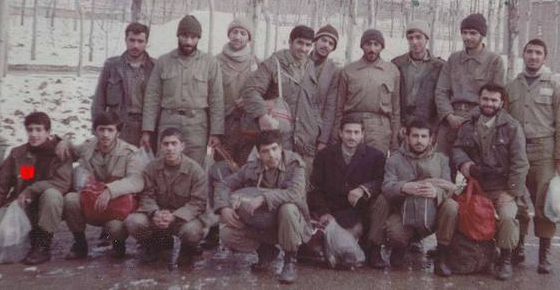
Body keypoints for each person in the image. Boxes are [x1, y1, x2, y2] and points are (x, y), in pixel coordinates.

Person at [0, 112, 72, 265]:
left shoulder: (59, 152)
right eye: (30, 130)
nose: (34, 134)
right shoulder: (18, 154)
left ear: (48, 132)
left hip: (49, 207)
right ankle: (27, 235)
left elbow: (62, 183)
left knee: (52, 195)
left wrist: (31, 190)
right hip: (22, 205)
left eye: (39, 130)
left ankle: (42, 245)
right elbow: (0, 186)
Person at [505, 38, 560, 274]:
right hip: (518, 151)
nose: (533, 56)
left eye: (538, 53)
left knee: (544, 203)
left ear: (545, 57)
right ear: (523, 55)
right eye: (529, 52)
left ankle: (544, 254)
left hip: (545, 151)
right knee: (518, 202)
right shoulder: (512, 86)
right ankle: (518, 247)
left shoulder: (555, 85)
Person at [453, 83, 529, 280]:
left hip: (502, 188)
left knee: (507, 217)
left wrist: (510, 192)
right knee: (456, 211)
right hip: (476, 186)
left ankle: (505, 259)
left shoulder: (512, 127)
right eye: (485, 99)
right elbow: (457, 148)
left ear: (501, 103)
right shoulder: (469, 124)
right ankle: (455, 253)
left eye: (494, 100)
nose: (489, 103)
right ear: (479, 100)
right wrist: (465, 164)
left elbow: (520, 163)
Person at [214, 130, 312, 284]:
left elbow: (296, 193)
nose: (271, 155)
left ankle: (289, 261)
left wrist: (264, 198)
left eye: (274, 149)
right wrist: (223, 207)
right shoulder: (251, 168)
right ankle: (266, 250)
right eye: (265, 151)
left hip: (292, 225)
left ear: (281, 148)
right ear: (258, 153)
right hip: (263, 224)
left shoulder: (295, 164)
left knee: (288, 208)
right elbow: (224, 184)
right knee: (227, 234)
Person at [240, 25, 322, 180]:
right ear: (290, 42)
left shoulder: (310, 66)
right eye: (299, 43)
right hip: (279, 136)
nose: (303, 49)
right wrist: (262, 116)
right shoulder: (273, 64)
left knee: (299, 183)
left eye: (308, 45)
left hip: (304, 138)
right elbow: (250, 91)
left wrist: (316, 127)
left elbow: (313, 101)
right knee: (273, 181)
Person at [141, 15, 224, 167]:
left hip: (197, 125)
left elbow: (216, 99)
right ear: (178, 35)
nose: (188, 42)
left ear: (198, 39)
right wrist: (147, 130)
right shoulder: (163, 61)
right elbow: (152, 97)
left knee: (194, 168)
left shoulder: (210, 63)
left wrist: (216, 132)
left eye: (193, 37)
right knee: (165, 166)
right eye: (184, 36)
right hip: (168, 121)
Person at [308, 116, 389, 269]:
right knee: (332, 246)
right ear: (340, 133)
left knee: (382, 202)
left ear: (362, 134)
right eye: (348, 132)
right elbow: (315, 188)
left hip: (359, 212)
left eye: (356, 132)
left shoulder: (375, 156)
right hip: (332, 211)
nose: (352, 137)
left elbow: (382, 181)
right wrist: (324, 212)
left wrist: (364, 189)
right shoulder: (325, 155)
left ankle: (373, 249)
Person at [62, 112, 145, 259]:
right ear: (95, 130)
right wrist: (62, 141)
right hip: (92, 203)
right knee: (70, 199)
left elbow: (136, 181)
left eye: (110, 130)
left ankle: (118, 245)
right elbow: (70, 150)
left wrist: (110, 190)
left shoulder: (130, 152)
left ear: (118, 132)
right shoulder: (87, 147)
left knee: (115, 228)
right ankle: (80, 244)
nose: (105, 134)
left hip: (116, 207)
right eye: (101, 129)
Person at [381, 119, 458, 276]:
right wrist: (403, 187)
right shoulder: (394, 160)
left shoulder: (441, 159)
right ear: (407, 137)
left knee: (451, 206)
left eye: (423, 136)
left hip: (433, 214)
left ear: (431, 139)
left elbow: (449, 187)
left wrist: (436, 192)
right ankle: (400, 247)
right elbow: (386, 187)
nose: (419, 140)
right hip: (405, 214)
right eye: (415, 136)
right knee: (395, 233)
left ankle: (442, 255)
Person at [435, 13, 505, 180]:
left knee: (477, 171)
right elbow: (441, 91)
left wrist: (472, 118)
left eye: (473, 33)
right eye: (464, 32)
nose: (467, 37)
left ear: (482, 35)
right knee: (441, 166)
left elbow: (497, 95)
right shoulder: (453, 59)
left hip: (479, 119)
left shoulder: (494, 60)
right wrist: (449, 116)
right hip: (451, 119)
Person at [125, 127, 207, 263]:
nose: (170, 148)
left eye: (174, 143)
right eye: (166, 144)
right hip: (157, 218)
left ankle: (187, 249)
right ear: (161, 147)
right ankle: (151, 245)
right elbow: (146, 196)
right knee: (133, 222)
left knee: (192, 231)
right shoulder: (151, 168)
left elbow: (198, 203)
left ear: (182, 146)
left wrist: (174, 216)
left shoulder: (195, 171)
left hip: (182, 219)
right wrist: (155, 213)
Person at [334, 29, 401, 153]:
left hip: (380, 128)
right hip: (352, 125)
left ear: (382, 47)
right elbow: (339, 107)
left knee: (376, 162)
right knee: (350, 161)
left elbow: (396, 109)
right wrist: (336, 134)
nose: (372, 49)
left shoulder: (392, 71)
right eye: (368, 44)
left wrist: (395, 140)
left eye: (376, 44)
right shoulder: (349, 70)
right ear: (362, 46)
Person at [92, 22, 156, 146]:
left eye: (140, 41)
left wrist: (150, 131)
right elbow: (99, 101)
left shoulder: (155, 67)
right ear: (125, 40)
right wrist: (98, 130)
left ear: (146, 42)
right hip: (118, 126)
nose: (135, 45)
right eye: (132, 40)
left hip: (145, 129)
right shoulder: (112, 66)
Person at [216, 17, 258, 166]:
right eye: (234, 32)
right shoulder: (216, 61)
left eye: (243, 33)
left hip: (248, 126)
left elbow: (264, 92)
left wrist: (249, 100)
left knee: (244, 167)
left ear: (249, 38)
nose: (238, 37)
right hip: (224, 123)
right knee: (222, 166)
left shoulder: (256, 62)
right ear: (229, 35)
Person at [391, 20, 445, 134]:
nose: (414, 42)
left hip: (427, 125)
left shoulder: (439, 66)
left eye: (418, 37)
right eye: (410, 38)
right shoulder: (397, 64)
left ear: (426, 38)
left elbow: (442, 98)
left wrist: (434, 127)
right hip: (403, 122)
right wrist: (399, 124)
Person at [311, 24, 341, 153]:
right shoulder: (301, 61)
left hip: (314, 128)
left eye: (331, 43)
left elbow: (330, 107)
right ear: (315, 41)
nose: (326, 45)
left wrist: (323, 140)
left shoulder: (334, 71)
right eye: (323, 40)